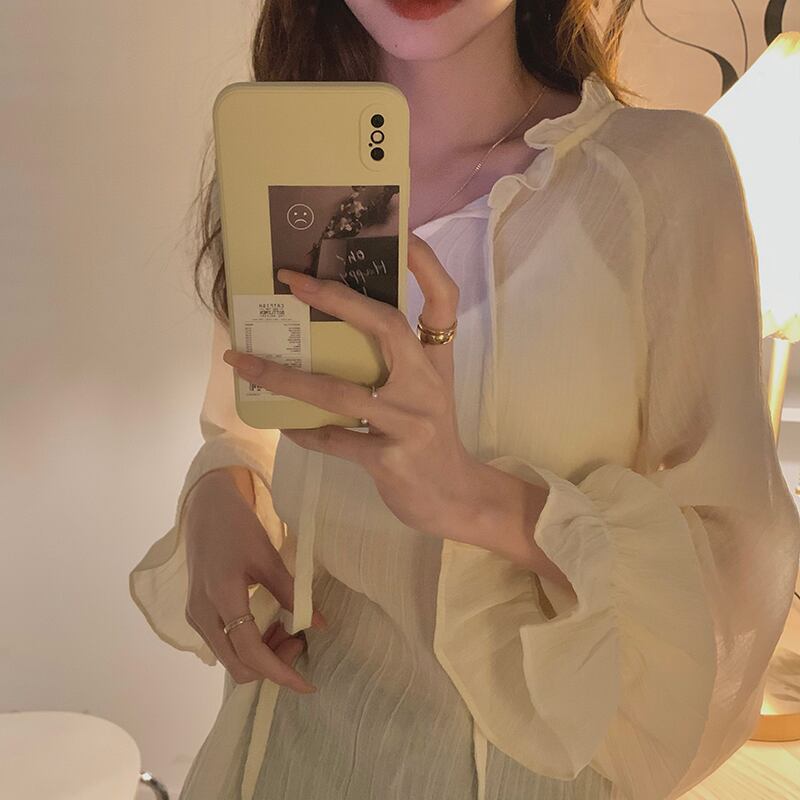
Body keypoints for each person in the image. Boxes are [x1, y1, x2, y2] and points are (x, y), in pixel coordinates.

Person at [129, 1, 800, 799]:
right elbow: (246, 414)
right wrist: (221, 492)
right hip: (279, 757)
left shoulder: (662, 177)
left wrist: (478, 500)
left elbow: (737, 563)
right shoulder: (282, 164)